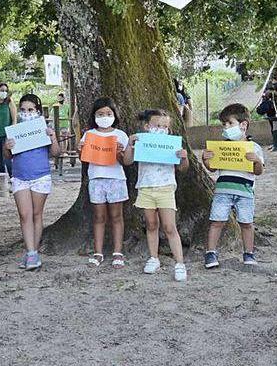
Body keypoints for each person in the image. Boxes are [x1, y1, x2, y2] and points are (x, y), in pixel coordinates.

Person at [124, 108, 190, 282]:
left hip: (166, 188)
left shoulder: (172, 144)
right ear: (147, 126)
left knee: (169, 226)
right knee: (151, 224)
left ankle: (180, 263)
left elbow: (182, 168)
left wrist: (183, 157)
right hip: (145, 188)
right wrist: (130, 145)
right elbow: (127, 161)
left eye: (165, 126)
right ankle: (154, 258)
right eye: (157, 125)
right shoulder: (141, 142)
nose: (161, 129)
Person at [202, 103, 265, 268]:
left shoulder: (255, 148)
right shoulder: (221, 148)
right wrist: (205, 159)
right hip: (222, 191)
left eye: (230, 123)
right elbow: (212, 167)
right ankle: (210, 253)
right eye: (224, 124)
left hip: (245, 192)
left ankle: (249, 253)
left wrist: (256, 160)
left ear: (243, 125)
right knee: (216, 221)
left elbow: (258, 171)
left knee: (246, 223)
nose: (226, 127)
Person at [3, 94, 61, 271]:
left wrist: (53, 137)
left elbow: (56, 152)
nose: (26, 113)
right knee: (24, 214)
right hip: (20, 177)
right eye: (23, 110)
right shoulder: (14, 131)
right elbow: (7, 156)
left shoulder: (44, 129)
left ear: (37, 111)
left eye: (30, 110)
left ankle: (32, 253)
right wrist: (7, 147)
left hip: (41, 176)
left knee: (36, 214)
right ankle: (31, 252)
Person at [82, 97, 129, 268]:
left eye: (108, 113)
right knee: (98, 217)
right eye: (100, 113)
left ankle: (118, 252)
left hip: (116, 179)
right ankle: (98, 252)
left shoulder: (120, 135)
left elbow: (126, 161)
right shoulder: (89, 135)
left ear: (114, 115)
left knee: (117, 216)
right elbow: (85, 157)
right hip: (96, 179)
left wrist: (120, 153)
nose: (104, 116)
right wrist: (82, 150)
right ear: (94, 115)